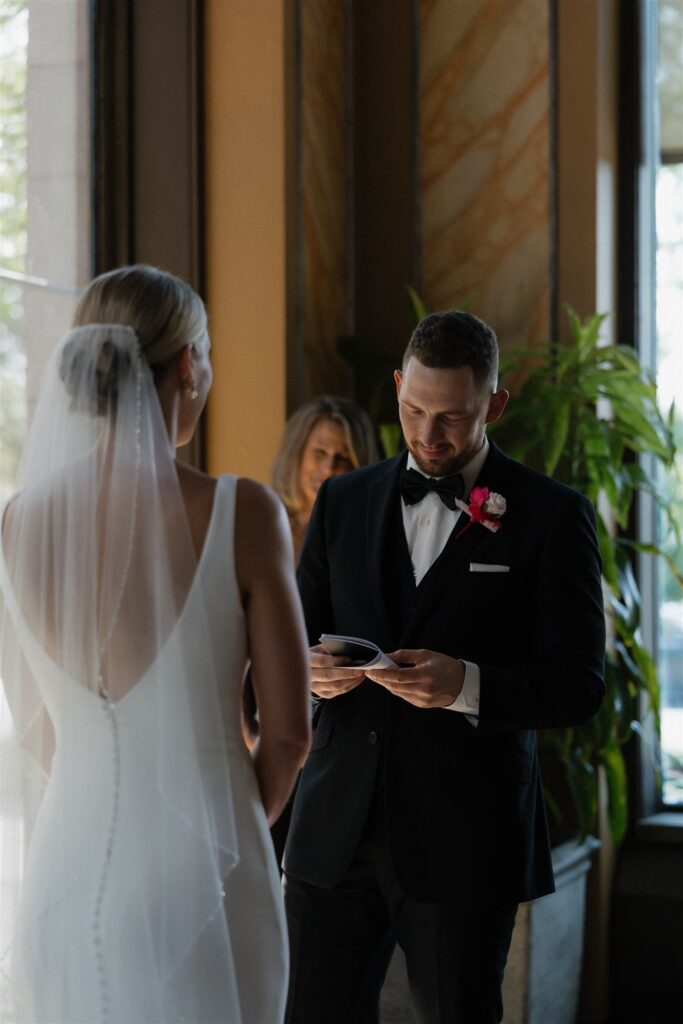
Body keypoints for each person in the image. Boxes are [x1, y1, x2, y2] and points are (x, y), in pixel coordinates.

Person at [0, 264, 311, 1024]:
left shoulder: (16, 524)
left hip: (65, 878)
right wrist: (232, 814)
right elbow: (292, 732)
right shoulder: (243, 513)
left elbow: (35, 729)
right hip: (203, 879)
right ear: (188, 366)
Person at [283, 310, 606, 1024]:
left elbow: (581, 685)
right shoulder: (341, 501)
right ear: (398, 387)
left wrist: (467, 685)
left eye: (452, 417)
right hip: (334, 830)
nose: (428, 435)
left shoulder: (552, 516)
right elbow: (292, 642)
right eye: (412, 410)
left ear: (493, 404)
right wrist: (309, 671)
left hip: (465, 840)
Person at [271, 395, 379, 563]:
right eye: (320, 452)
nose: (329, 468)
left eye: (342, 458)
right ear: (296, 453)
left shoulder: (369, 538)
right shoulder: (266, 526)